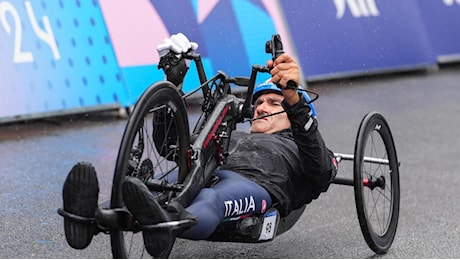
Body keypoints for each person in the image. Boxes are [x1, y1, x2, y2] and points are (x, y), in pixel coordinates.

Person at [61, 33, 337, 258]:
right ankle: (91, 216)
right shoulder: (232, 136)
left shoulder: (303, 148)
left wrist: (293, 99)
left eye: (274, 103)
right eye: (258, 102)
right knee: (146, 188)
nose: (262, 108)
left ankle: (165, 222)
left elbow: (322, 173)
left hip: (256, 185)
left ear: (295, 114)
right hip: (203, 170)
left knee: (211, 199)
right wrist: (174, 83)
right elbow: (172, 147)